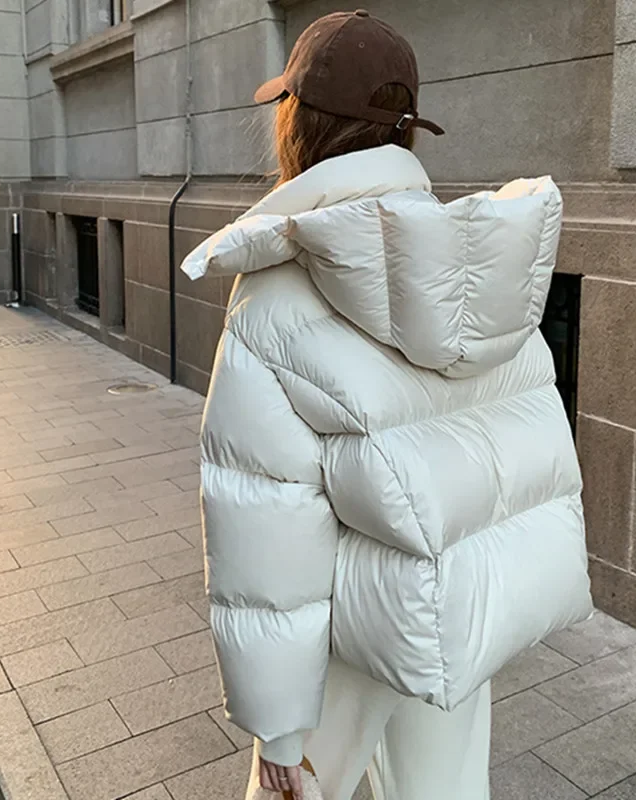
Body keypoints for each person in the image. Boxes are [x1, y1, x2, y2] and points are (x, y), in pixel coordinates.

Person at [182, 10, 592, 800]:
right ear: (406, 133)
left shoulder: (278, 291)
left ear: (297, 123)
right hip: (453, 612)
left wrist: (280, 725)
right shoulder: (469, 264)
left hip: (351, 631)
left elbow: (267, 514)